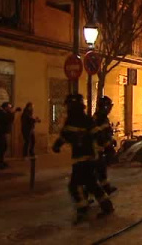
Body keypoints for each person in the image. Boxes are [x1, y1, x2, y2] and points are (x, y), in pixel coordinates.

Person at [52, 94, 114, 224]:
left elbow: (65, 136)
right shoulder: (86, 120)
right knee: (91, 184)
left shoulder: (77, 120)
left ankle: (83, 209)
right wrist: (108, 148)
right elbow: (98, 135)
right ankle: (105, 206)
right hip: (87, 158)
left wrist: (57, 146)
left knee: (75, 185)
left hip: (84, 158)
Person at [92, 96, 117, 195]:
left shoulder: (102, 117)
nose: (110, 110)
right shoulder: (99, 118)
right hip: (96, 150)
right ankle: (87, 193)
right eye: (109, 107)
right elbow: (99, 135)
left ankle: (106, 188)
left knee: (101, 170)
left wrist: (111, 140)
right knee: (95, 172)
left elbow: (106, 133)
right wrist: (108, 145)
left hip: (100, 150)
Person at [0, 102, 20, 169]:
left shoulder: (4, 112)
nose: (10, 109)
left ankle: (1, 161)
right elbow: (8, 119)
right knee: (0, 148)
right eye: (9, 107)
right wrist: (13, 112)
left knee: (4, 147)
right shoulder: (0, 112)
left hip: (2, 132)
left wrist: (12, 112)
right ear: (5, 107)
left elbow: (9, 120)